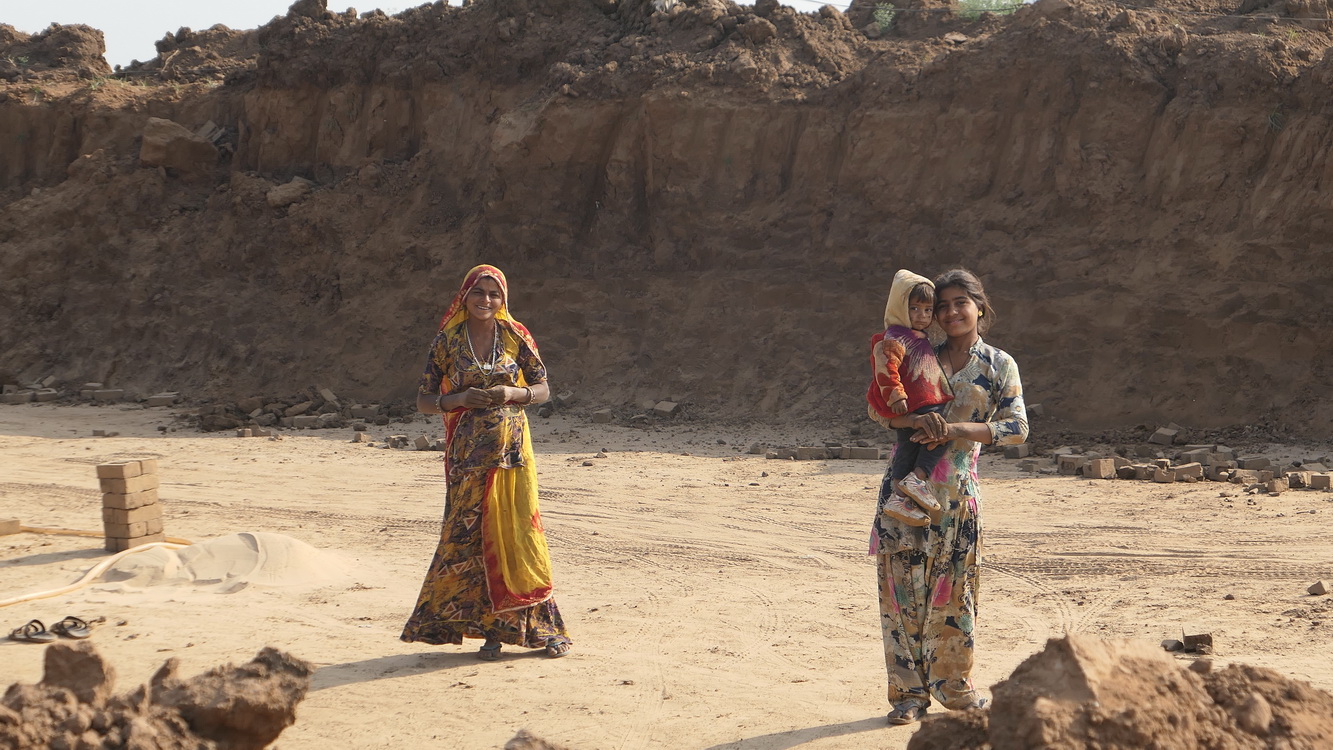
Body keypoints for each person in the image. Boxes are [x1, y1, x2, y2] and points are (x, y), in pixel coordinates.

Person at [866, 268, 1028, 724]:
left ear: (980, 307)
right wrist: (913, 421)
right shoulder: (918, 352)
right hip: (904, 493)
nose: (951, 312)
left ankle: (955, 687)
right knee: (900, 593)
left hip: (957, 496)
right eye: (942, 306)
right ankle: (907, 696)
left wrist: (954, 429)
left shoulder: (998, 365)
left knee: (955, 593)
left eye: (961, 303)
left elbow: (1017, 428)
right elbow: (879, 411)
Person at [401, 264, 572, 660]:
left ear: (503, 299)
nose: (486, 300)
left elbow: (542, 388)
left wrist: (513, 394)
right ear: (465, 296)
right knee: (469, 539)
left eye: (494, 294)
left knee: (519, 537)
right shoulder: (447, 340)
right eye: (479, 292)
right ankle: (490, 632)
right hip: (467, 457)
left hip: (512, 454)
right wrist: (458, 400)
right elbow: (424, 400)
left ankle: (543, 629)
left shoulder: (515, 335)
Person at [867, 269, 953, 527]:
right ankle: (916, 479)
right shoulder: (896, 336)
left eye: (928, 310)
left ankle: (898, 497)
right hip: (917, 402)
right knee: (939, 435)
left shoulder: (918, 337)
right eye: (914, 308)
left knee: (909, 446)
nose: (922, 315)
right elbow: (886, 366)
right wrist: (896, 396)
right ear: (900, 307)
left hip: (919, 402)